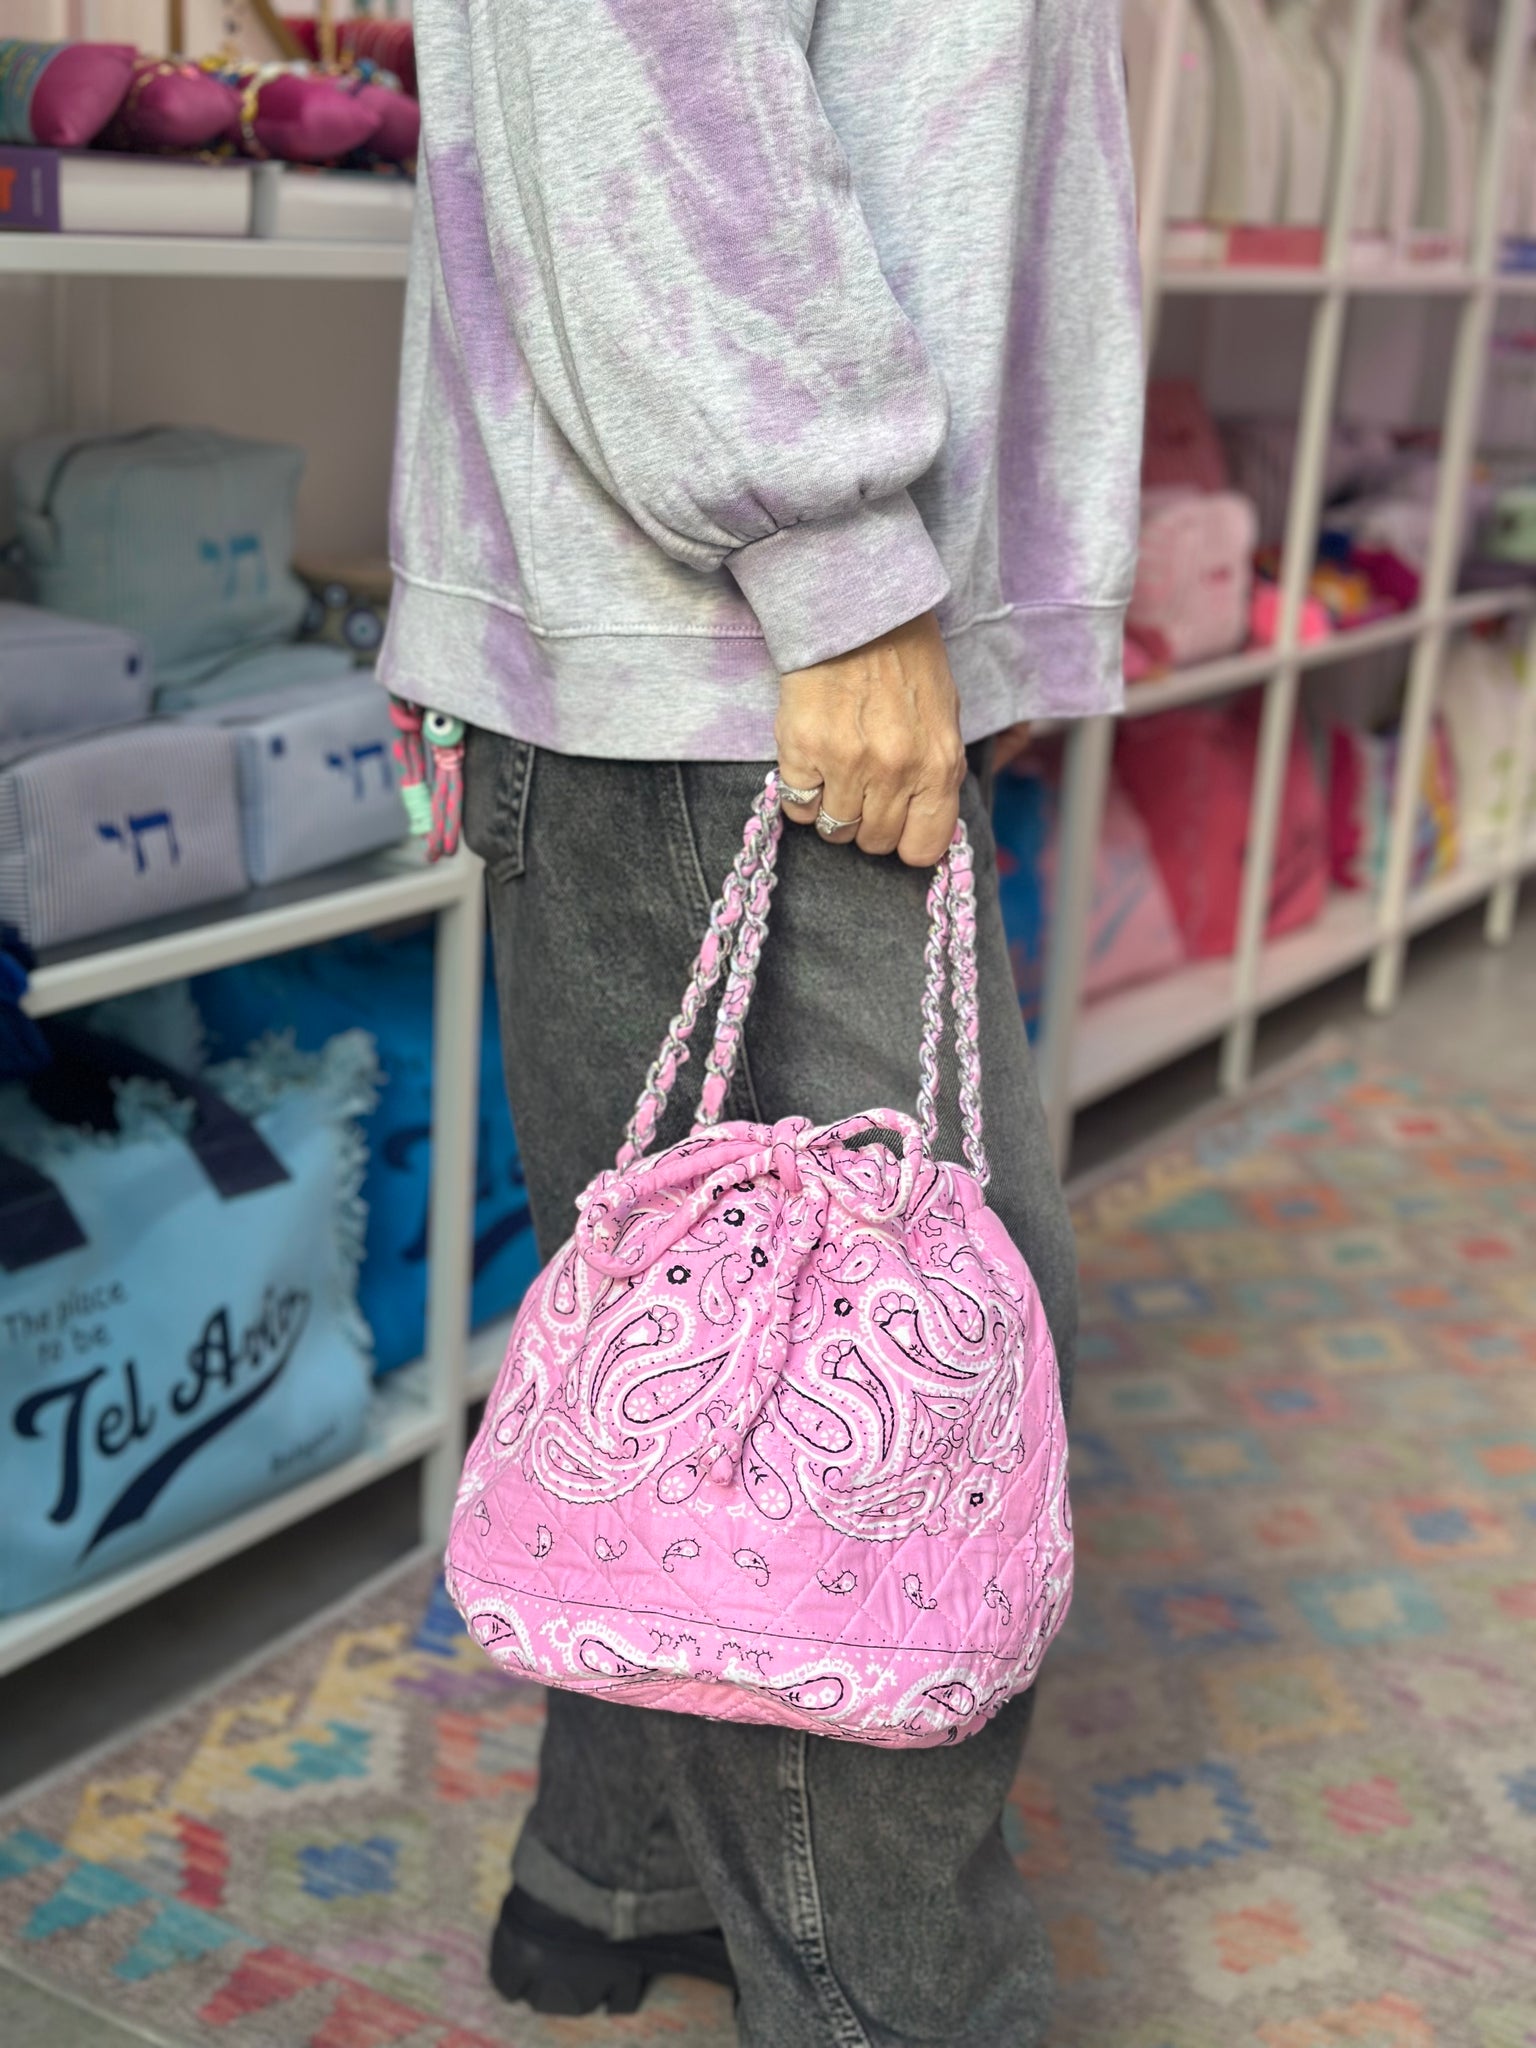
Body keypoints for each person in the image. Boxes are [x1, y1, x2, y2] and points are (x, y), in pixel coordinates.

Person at [380, 4, 1141, 2041]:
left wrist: (950, 585)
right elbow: (645, 64)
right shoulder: (817, 577)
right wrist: (850, 568)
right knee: (879, 1415)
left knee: (701, 1368)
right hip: (744, 642)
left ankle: (618, 1874)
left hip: (758, 633)